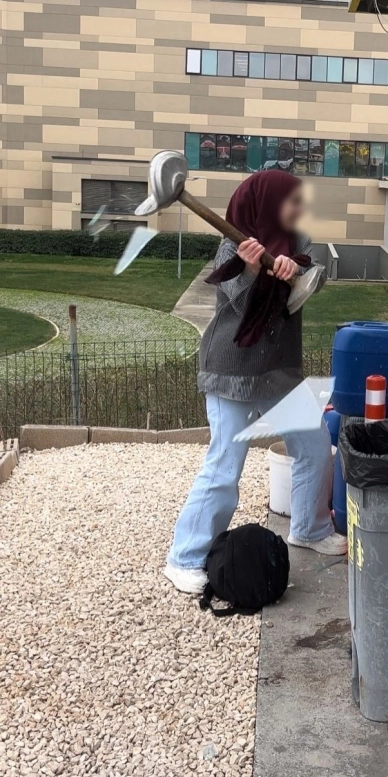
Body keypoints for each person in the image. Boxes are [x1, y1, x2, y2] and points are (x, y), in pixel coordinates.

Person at [164, 169, 346, 595]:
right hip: (231, 370)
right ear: (267, 203)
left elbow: (313, 282)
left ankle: (310, 528)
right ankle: (184, 557)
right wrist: (250, 271)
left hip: (278, 369)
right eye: (291, 201)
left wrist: (293, 268)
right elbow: (236, 300)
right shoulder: (232, 245)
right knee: (225, 466)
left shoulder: (298, 242)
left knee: (315, 447)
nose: (298, 208)